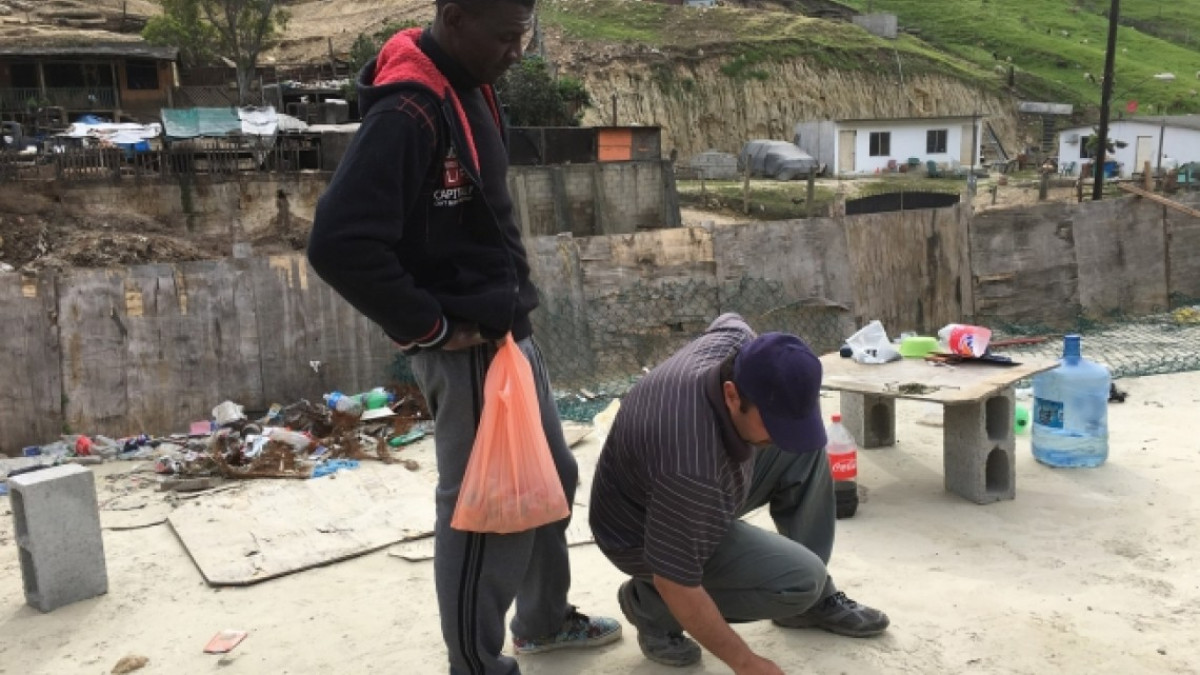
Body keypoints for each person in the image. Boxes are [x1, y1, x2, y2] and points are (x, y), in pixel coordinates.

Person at [306, 1, 620, 673]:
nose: (517, 50)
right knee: (490, 509)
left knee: (550, 481)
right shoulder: (410, 111)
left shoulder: (470, 85)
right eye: (505, 36)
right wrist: (430, 325)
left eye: (524, 34)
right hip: (467, 345)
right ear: (454, 17)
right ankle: (476, 663)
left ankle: (539, 622)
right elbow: (337, 242)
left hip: (506, 332)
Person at [589, 313, 889, 673]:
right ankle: (650, 606)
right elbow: (676, 581)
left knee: (802, 446)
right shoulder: (691, 466)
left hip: (672, 487)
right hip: (641, 532)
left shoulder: (733, 348)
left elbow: (730, 320)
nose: (778, 436)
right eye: (772, 422)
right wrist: (746, 662)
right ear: (731, 395)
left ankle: (807, 607)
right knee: (799, 582)